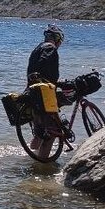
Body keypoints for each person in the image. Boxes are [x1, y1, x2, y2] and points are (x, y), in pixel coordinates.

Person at [26, 24, 65, 154]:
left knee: (39, 132)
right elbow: (45, 68)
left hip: (31, 93)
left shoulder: (37, 48)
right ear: (57, 39)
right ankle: (42, 166)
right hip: (43, 95)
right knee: (52, 131)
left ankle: (32, 159)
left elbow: (35, 71)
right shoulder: (51, 48)